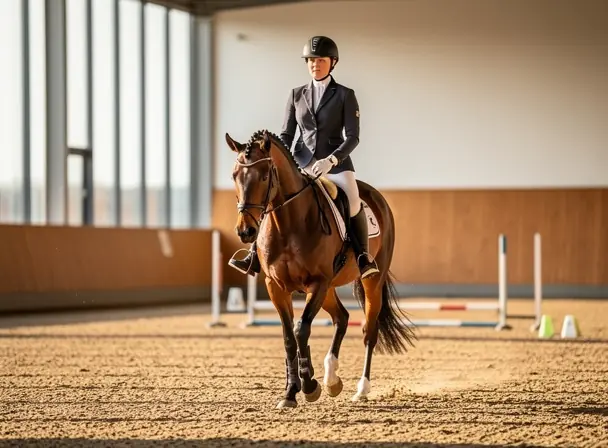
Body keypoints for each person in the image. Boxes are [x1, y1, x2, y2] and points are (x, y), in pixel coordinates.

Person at [228, 35, 379, 280]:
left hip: (336, 166)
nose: (314, 64)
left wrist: (331, 160)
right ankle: (254, 255)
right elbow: (287, 134)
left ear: (333, 62)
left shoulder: (345, 95)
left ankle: (362, 257)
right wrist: (281, 159)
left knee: (352, 201)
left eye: (320, 60)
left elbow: (353, 137)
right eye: (310, 60)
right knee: (270, 198)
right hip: (301, 163)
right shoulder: (296, 94)